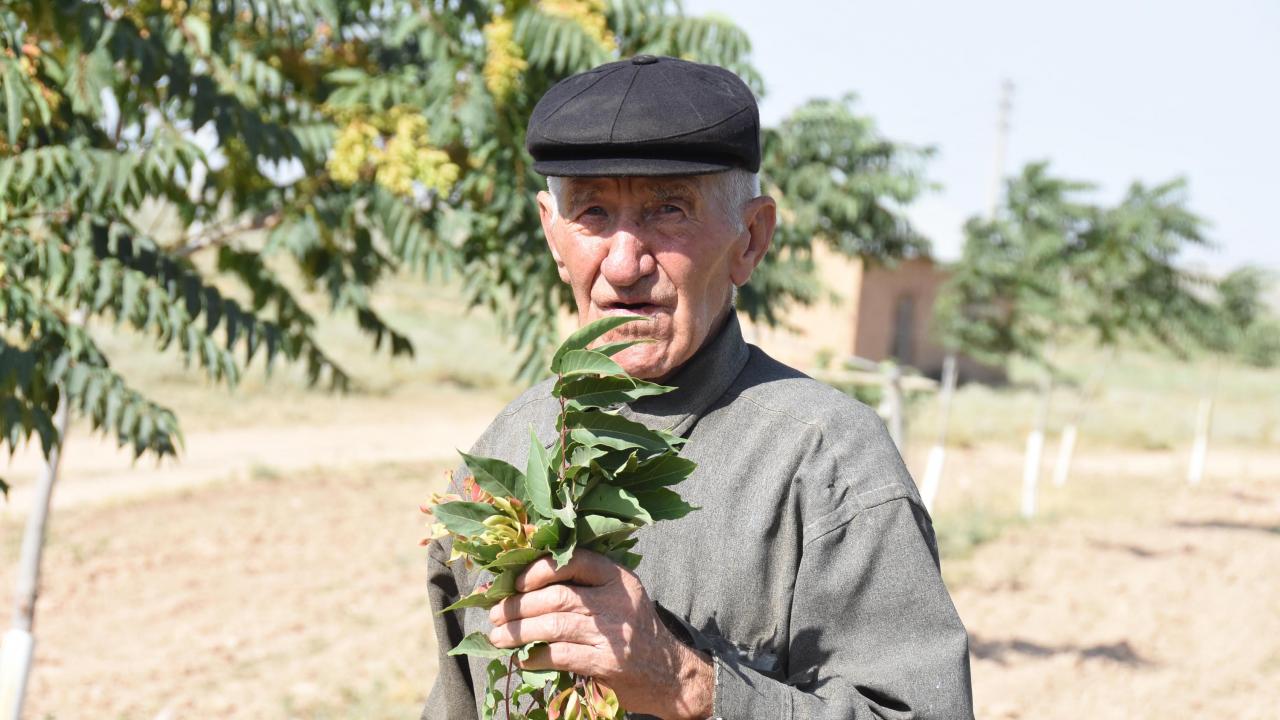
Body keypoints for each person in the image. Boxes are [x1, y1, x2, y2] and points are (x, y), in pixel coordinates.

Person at [425, 55, 973, 719]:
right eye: (592, 213)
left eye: (669, 210)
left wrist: (688, 683)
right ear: (552, 233)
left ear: (751, 238)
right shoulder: (503, 461)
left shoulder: (826, 464)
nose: (624, 265)